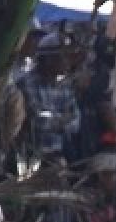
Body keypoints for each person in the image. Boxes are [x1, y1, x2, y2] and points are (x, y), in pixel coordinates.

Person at [17, 32, 81, 160]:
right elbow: (37, 121)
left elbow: (76, 121)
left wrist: (56, 120)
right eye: (63, 56)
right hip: (30, 156)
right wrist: (63, 119)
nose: (68, 62)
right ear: (48, 59)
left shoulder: (64, 86)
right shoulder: (27, 83)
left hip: (57, 155)